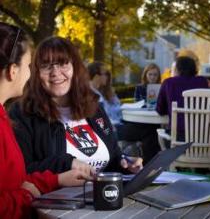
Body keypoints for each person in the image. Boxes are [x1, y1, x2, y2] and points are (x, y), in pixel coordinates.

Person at [0, 22, 95, 219]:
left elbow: (15, 180)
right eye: (30, 66)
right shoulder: (18, 114)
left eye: (63, 64)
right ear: (13, 71)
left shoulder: (2, 116)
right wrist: (26, 195)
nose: (30, 73)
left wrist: (56, 180)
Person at [9, 36, 142, 176]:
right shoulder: (22, 113)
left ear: (75, 68)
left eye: (63, 64)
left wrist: (125, 163)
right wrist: (67, 164)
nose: (55, 73)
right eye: (46, 66)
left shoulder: (94, 108)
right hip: (54, 197)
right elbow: (20, 171)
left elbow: (113, 154)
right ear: (36, 73)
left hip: (103, 194)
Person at [88, 64, 161, 164]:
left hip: (117, 125)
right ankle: (150, 165)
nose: (108, 77)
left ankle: (149, 164)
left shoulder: (100, 92)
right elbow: (99, 120)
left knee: (150, 128)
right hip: (111, 130)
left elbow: (115, 109)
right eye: (105, 74)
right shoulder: (92, 94)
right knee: (150, 130)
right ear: (96, 76)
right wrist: (110, 127)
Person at [156, 56, 208, 141]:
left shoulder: (169, 83)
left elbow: (160, 110)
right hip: (202, 138)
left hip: (177, 140)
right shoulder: (202, 82)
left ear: (177, 69)